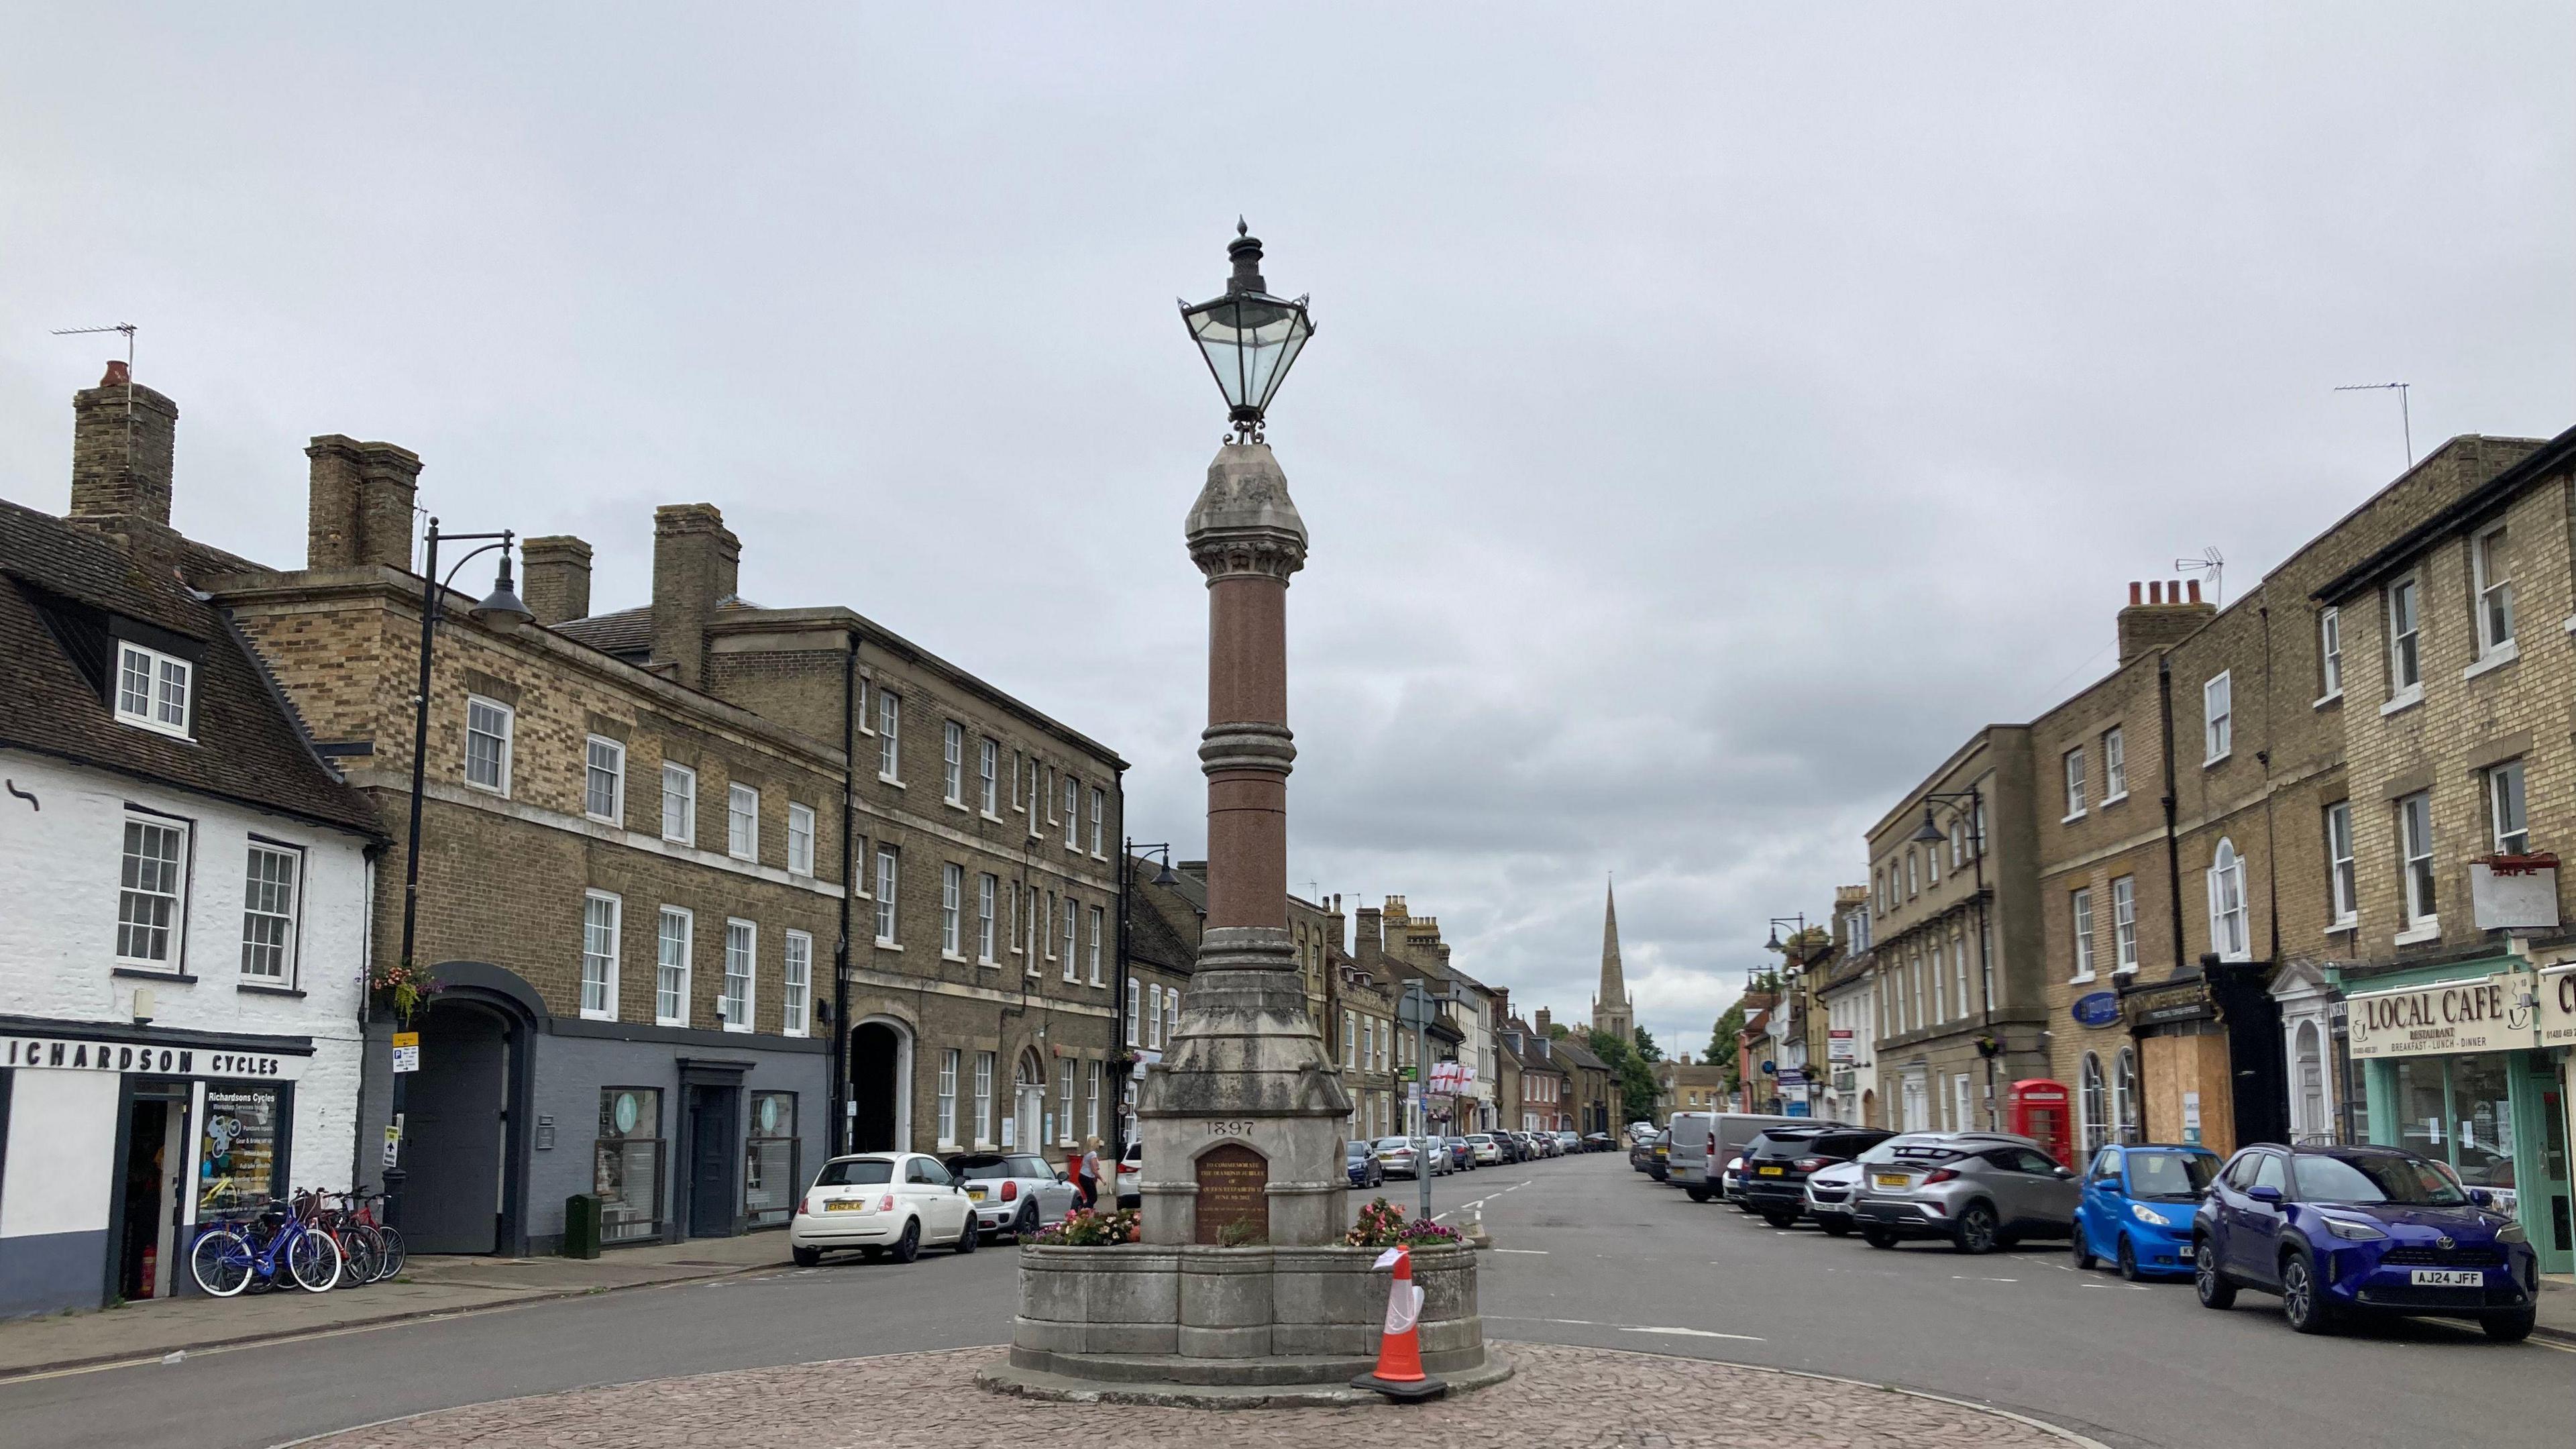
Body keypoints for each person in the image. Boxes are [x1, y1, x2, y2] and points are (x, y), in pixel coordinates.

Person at [1077, 1136, 1102, 1209]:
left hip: (1084, 1176)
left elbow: (1084, 1165)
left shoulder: (1087, 1154)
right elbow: (1094, 1170)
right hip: (1087, 1177)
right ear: (1094, 1144)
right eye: (1097, 1143)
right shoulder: (1093, 1154)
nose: (1099, 1145)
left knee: (1091, 1198)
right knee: (1093, 1198)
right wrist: (1102, 1179)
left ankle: (1088, 1213)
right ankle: (1079, 1209)